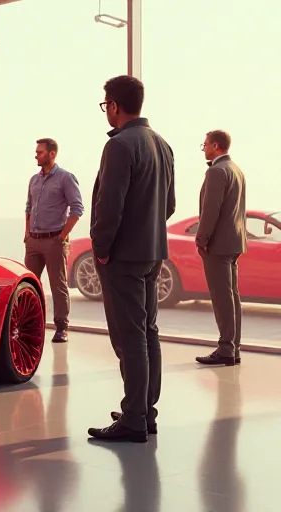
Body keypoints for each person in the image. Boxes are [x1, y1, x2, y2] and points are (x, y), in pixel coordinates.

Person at [88, 75, 176, 443]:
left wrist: (102, 248)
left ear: (114, 105)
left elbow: (109, 207)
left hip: (122, 257)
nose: (106, 110)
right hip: (153, 253)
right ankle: (144, 411)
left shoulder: (120, 145)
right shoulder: (162, 144)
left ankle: (134, 419)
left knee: (130, 336)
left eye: (105, 104)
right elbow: (169, 205)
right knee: (148, 332)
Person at [193, 130, 246, 366]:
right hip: (234, 242)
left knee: (222, 298)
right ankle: (234, 348)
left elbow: (210, 210)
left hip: (218, 245)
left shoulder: (216, 171)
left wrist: (201, 239)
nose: (203, 148)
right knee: (232, 297)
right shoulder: (236, 170)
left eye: (205, 144)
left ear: (216, 145)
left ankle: (226, 349)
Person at [24, 138, 84, 343]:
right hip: (33, 241)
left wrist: (62, 236)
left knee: (58, 286)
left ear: (52, 154)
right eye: (36, 152)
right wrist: (27, 234)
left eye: (40, 152)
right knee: (29, 285)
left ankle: (61, 328)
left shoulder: (66, 178)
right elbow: (29, 208)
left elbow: (77, 209)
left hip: (54, 241)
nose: (36, 155)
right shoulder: (34, 180)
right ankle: (31, 325)